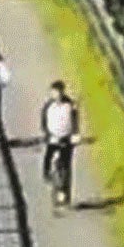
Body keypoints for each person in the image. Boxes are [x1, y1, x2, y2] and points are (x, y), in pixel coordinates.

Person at [40, 80, 79, 208]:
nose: (56, 95)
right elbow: (44, 122)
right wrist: (47, 135)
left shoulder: (70, 105)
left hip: (66, 138)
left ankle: (65, 192)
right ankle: (47, 174)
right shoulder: (48, 106)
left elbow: (75, 121)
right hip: (52, 138)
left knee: (66, 166)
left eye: (58, 92)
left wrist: (75, 135)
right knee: (48, 158)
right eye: (54, 92)